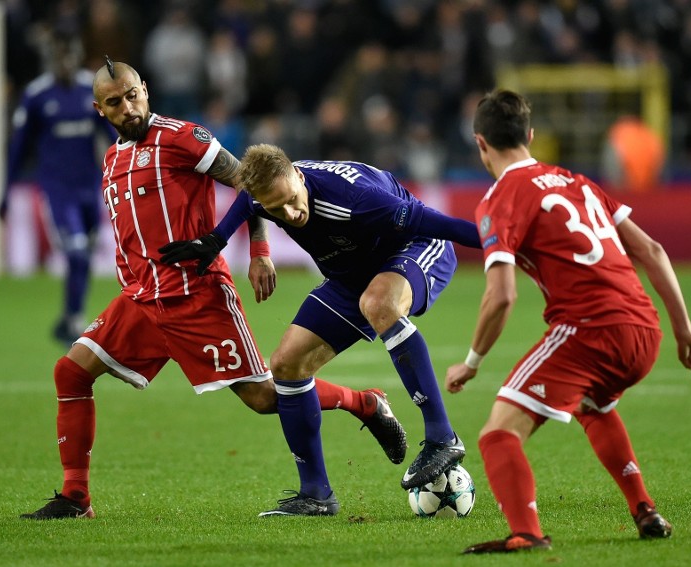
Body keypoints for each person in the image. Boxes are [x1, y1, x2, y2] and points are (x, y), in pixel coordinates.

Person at [20, 58, 406, 520]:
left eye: (132, 95)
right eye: (115, 103)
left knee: (265, 398)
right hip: (140, 299)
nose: (128, 107)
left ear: (145, 88)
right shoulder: (112, 159)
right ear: (99, 109)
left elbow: (253, 184)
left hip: (194, 296)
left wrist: (259, 250)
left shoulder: (184, 138)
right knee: (71, 372)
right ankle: (75, 497)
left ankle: (364, 402)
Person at [445, 89, 691, 553]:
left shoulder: (500, 197)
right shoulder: (577, 181)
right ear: (529, 136)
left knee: (497, 434)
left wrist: (471, 361)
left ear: (480, 144)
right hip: (644, 330)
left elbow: (502, 295)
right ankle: (645, 509)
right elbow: (652, 251)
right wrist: (683, 331)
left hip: (590, 330)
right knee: (596, 405)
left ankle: (525, 534)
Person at [160, 143, 482, 516]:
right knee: (286, 364)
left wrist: (501, 245)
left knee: (380, 303)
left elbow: (440, 225)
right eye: (276, 209)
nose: (290, 214)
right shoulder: (268, 195)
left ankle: (443, 437)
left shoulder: (356, 199)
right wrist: (218, 239)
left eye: (292, 201)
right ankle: (316, 494)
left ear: (298, 176)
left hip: (416, 247)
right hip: (352, 274)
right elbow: (248, 201)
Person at [0, 34, 117, 345]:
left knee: (85, 255)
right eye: (59, 57)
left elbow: (112, 135)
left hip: (90, 188)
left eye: (70, 55)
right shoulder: (37, 95)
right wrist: (5, 192)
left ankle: (68, 318)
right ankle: (75, 320)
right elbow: (18, 148)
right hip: (58, 190)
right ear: (51, 59)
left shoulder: (90, 90)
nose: (64, 63)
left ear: (77, 56)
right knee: (76, 252)